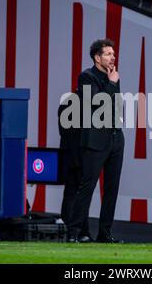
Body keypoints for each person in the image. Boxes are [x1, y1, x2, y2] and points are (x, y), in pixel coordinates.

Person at [66, 39, 125, 243]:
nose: (112, 57)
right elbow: (99, 104)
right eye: (108, 54)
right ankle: (74, 232)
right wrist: (112, 84)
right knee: (87, 186)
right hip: (95, 139)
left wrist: (113, 83)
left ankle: (104, 233)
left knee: (112, 188)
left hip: (115, 137)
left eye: (113, 54)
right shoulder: (86, 77)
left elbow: (116, 107)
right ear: (97, 57)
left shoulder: (113, 77)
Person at [57, 97, 92, 243]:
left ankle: (70, 230)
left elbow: (63, 130)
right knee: (80, 195)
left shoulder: (66, 104)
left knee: (70, 193)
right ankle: (80, 232)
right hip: (82, 155)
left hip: (67, 153)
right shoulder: (89, 105)